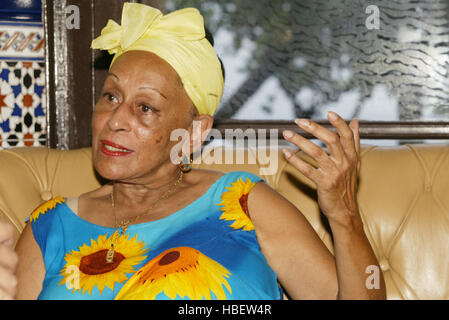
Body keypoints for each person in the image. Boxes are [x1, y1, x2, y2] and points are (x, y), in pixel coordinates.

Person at [1, 3, 385, 300]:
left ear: (195, 131)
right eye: (111, 96)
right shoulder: (49, 227)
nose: (115, 119)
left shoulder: (243, 203)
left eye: (145, 107)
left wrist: (345, 214)